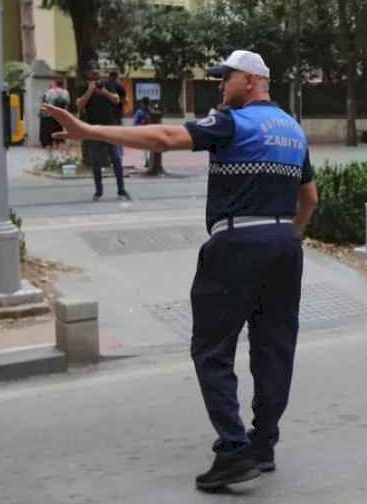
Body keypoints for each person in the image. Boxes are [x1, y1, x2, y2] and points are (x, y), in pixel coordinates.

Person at [44, 49, 318, 491]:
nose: (220, 85)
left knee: (212, 349)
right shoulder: (292, 130)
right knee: (275, 347)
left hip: (236, 246)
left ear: (250, 80)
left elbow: (167, 138)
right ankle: (263, 445)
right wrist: (292, 236)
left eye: (225, 77)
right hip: (284, 245)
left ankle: (234, 449)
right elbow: (310, 198)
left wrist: (89, 130)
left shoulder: (233, 122)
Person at [76, 70, 131, 202]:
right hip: (94, 129)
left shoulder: (107, 84)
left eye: (97, 72)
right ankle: (98, 191)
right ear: (88, 74)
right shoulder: (83, 87)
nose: (96, 75)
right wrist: (90, 91)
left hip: (110, 128)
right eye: (93, 73)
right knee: (96, 162)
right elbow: (79, 105)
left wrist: (104, 92)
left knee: (117, 159)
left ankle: (121, 190)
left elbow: (117, 99)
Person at [40, 80, 71, 148]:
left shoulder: (50, 91)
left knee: (51, 128)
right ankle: (59, 143)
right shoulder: (65, 92)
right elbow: (68, 102)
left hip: (52, 112)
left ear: (56, 84)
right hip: (61, 112)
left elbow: (47, 100)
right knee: (59, 127)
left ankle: (51, 143)